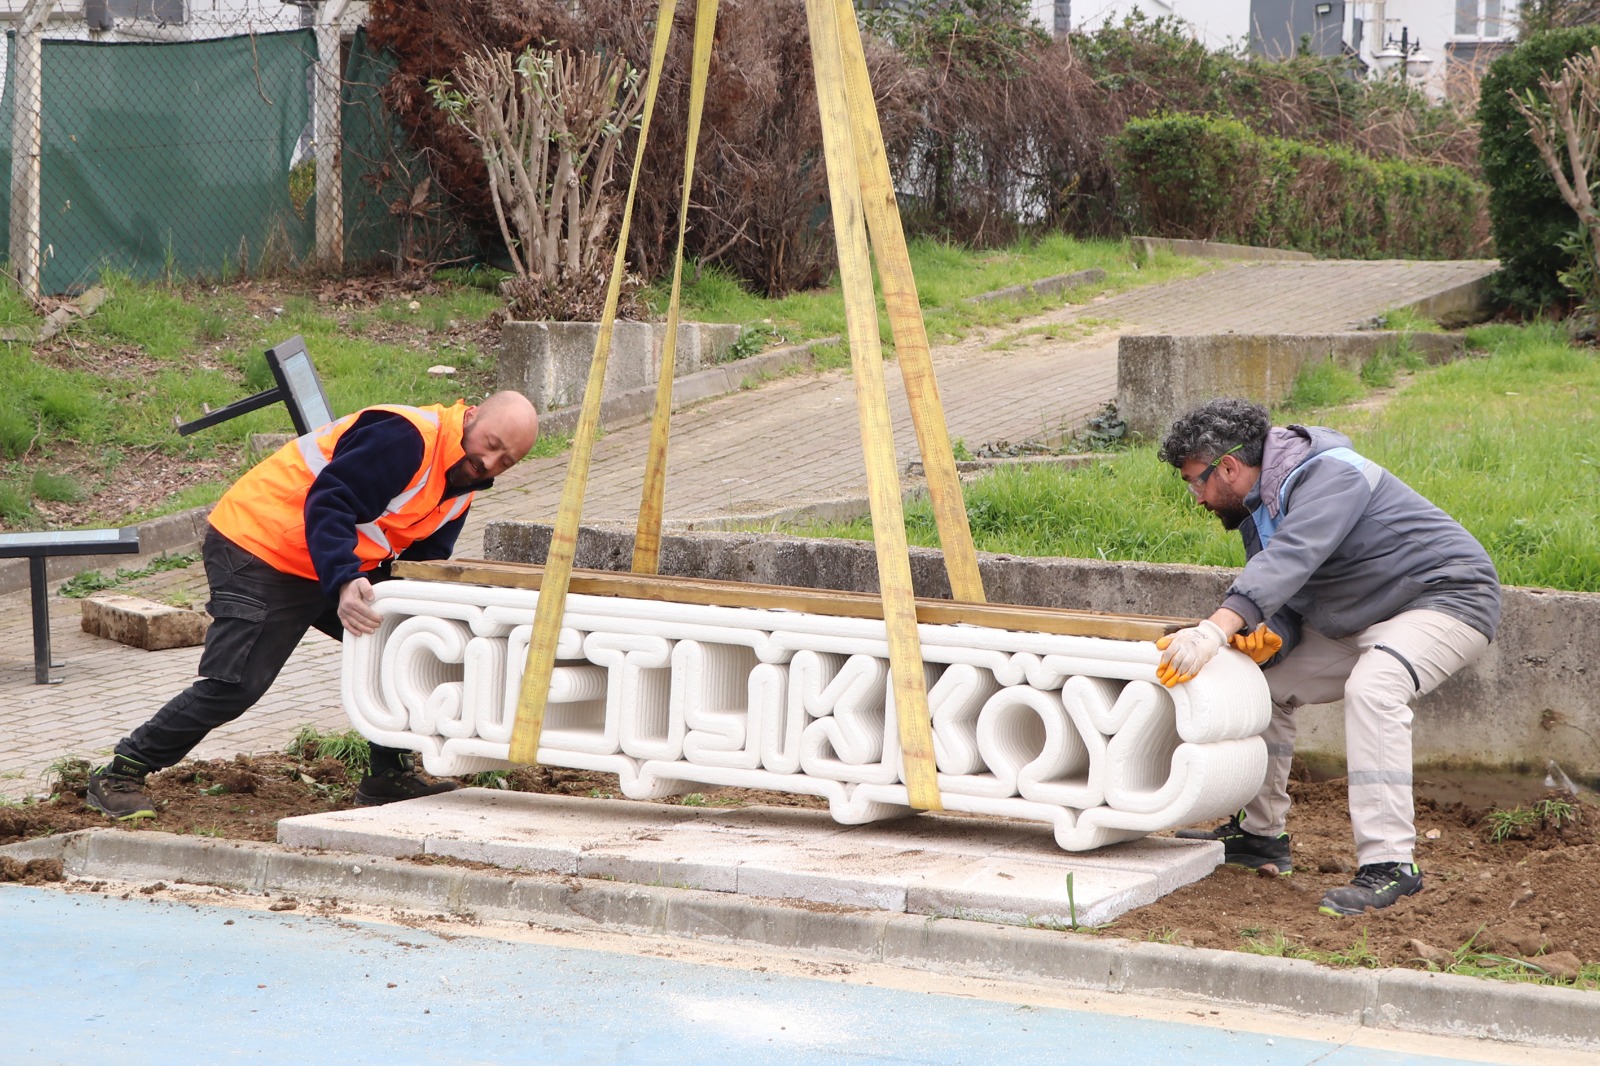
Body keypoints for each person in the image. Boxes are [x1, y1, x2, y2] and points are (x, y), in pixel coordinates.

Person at [86, 391, 540, 820]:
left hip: (323, 558)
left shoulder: (463, 481)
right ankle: (121, 771)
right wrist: (344, 580)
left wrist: (423, 616)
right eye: (491, 445)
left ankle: (386, 775)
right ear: (472, 415)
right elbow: (330, 501)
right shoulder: (405, 438)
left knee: (403, 646)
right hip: (260, 545)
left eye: (507, 460)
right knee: (237, 682)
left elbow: (423, 560)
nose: (490, 462)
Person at [1154, 398, 1500, 916]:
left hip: (1446, 597)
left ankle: (1391, 866)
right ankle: (1259, 837)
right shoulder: (1262, 509)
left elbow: (1293, 557)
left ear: (1226, 467)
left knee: (1374, 687)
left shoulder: (1331, 473)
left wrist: (1214, 630)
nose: (1198, 498)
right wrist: (1269, 637)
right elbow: (1286, 596)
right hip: (1362, 615)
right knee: (1261, 689)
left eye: (1195, 482)